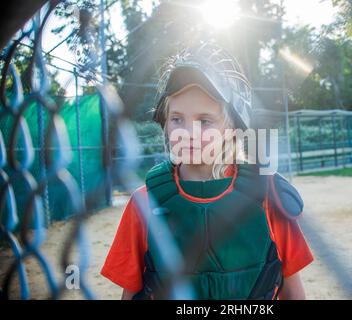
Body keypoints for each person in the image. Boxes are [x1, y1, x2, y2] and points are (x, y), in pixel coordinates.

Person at [101, 42, 313, 300]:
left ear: (233, 127)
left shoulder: (269, 196)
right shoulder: (143, 203)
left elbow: (294, 293)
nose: (189, 134)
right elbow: (130, 295)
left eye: (205, 121)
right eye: (177, 119)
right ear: (164, 123)